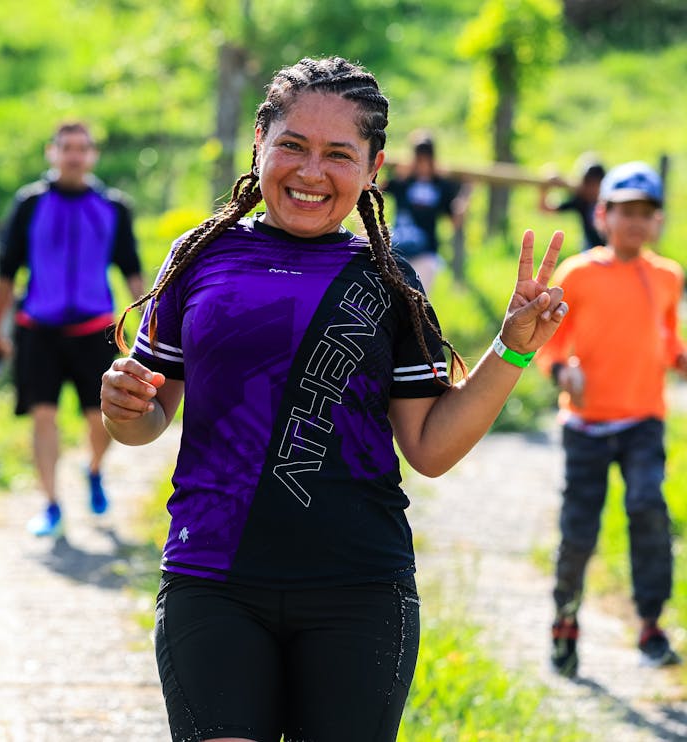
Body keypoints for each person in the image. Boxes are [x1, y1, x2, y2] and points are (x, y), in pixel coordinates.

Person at [100, 57, 567, 742]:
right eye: (292, 145)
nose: (311, 172)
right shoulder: (199, 256)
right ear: (259, 141)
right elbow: (149, 416)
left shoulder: (389, 279)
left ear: (374, 168)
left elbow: (431, 448)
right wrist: (125, 409)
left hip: (359, 589)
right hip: (214, 579)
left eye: (339, 154)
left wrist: (513, 346)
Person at [536, 160, 685, 678]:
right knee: (580, 530)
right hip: (586, 425)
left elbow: (667, 337)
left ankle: (650, 624)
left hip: (643, 418)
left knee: (648, 508)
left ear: (658, 221)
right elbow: (546, 340)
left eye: (647, 213)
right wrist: (560, 371)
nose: (636, 223)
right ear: (603, 214)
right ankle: (565, 620)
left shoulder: (668, 276)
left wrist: (680, 357)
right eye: (626, 212)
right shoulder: (577, 273)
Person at [0, 121, 144, 537]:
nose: (74, 155)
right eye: (66, 147)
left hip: (94, 331)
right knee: (43, 416)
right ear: (51, 152)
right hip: (38, 330)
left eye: (83, 148)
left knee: (103, 419)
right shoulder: (30, 203)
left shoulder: (113, 207)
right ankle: (52, 503)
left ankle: (93, 469)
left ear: (93, 155)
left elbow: (132, 272)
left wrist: (149, 331)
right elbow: (5, 272)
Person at [381, 131, 470, 293]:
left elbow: (455, 220)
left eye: (426, 158)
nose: (422, 163)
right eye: (418, 157)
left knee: (418, 300)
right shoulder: (403, 181)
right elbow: (377, 190)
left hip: (426, 252)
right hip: (398, 249)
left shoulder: (441, 186)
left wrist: (465, 195)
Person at [538, 155, 606, 251]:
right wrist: (543, 190)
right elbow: (546, 209)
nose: (592, 189)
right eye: (588, 183)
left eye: (596, 183)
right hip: (590, 253)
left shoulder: (611, 202)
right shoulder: (581, 201)